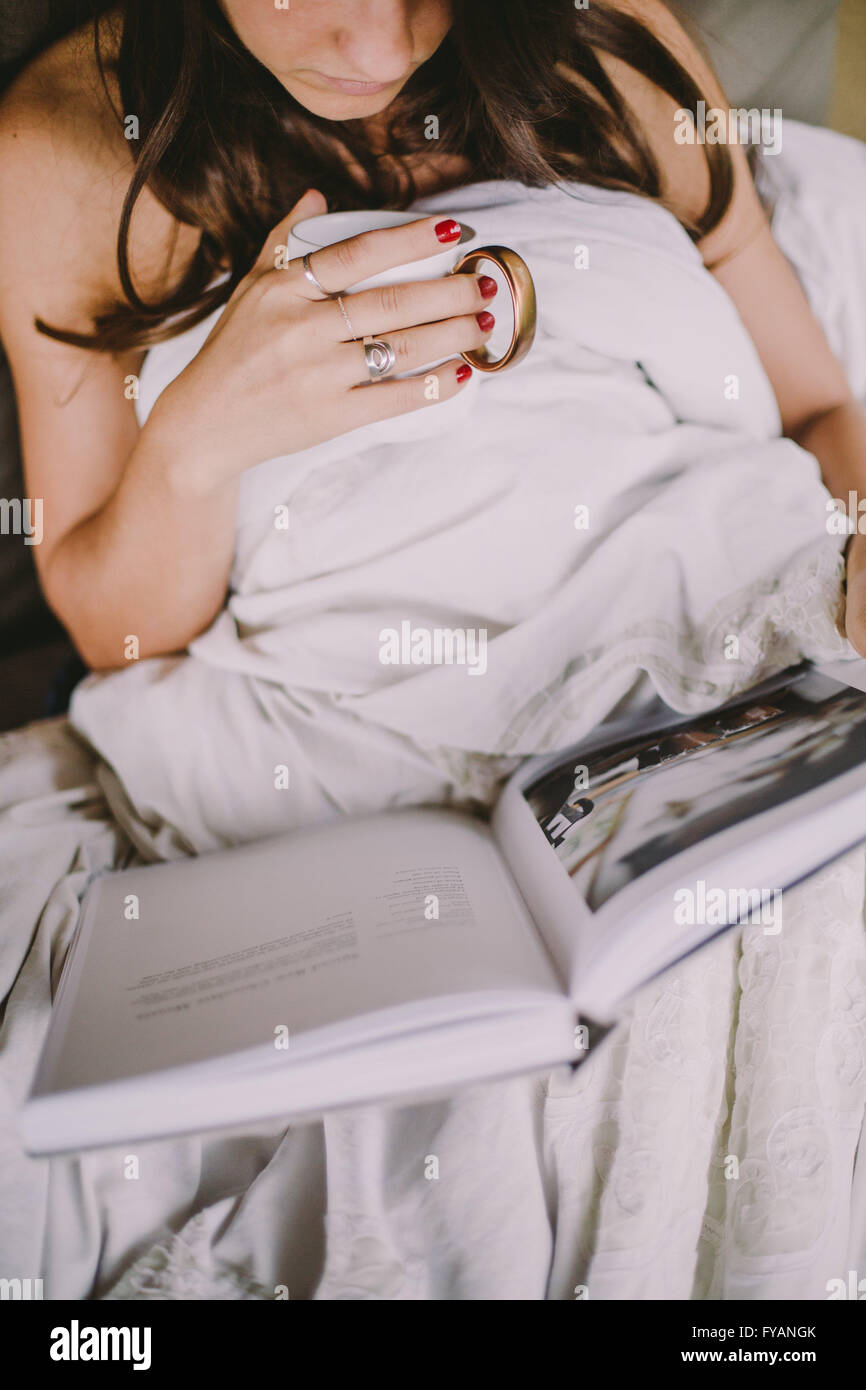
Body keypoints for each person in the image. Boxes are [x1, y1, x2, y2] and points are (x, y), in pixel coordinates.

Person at [1, 0, 865, 679]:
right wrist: (194, 448)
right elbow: (114, 634)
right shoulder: (62, 160)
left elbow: (818, 403)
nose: (381, 49)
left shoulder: (606, 51)